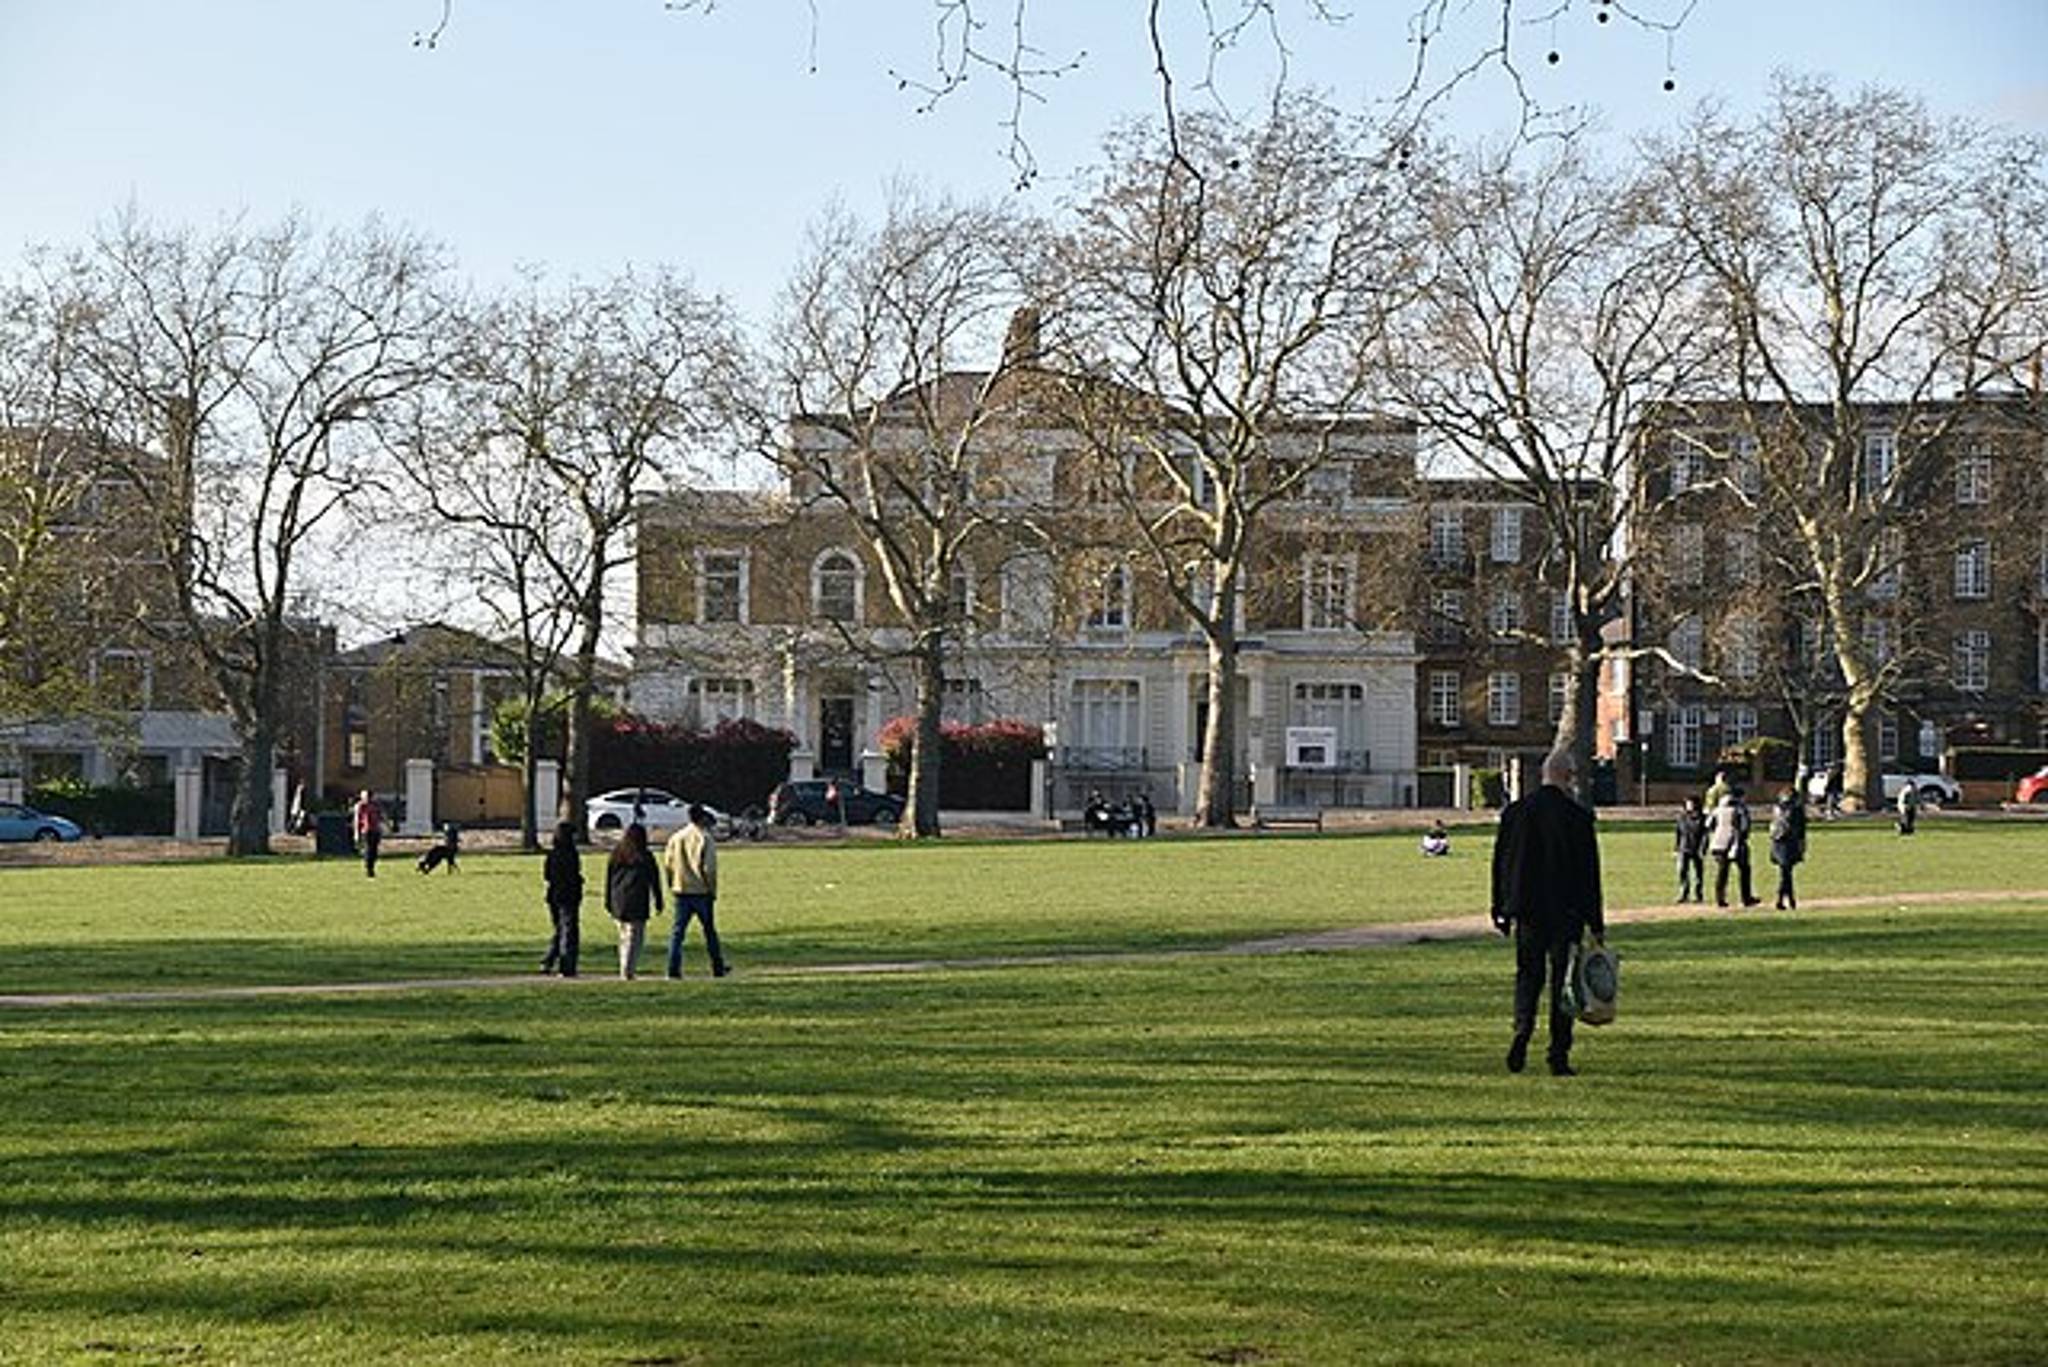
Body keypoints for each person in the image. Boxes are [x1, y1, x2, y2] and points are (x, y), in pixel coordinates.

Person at [1490, 748, 1607, 1078]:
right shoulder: (1577, 817)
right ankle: (1558, 1053)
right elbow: (1589, 874)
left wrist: (1499, 906)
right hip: (1566, 911)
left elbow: (1501, 864)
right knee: (1563, 983)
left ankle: (1521, 1030)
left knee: (1527, 976)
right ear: (1568, 777)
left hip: (1527, 908)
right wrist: (1595, 922)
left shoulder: (1516, 813)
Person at [661, 803, 731, 979]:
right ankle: (717, 966)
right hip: (701, 891)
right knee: (709, 931)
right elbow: (709, 868)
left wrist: (672, 884)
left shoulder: (676, 838)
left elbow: (668, 864)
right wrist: (712, 889)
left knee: (677, 932)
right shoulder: (705, 838)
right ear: (703, 818)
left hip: (681, 889)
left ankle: (673, 969)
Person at [603, 821, 663, 980]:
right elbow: (654, 880)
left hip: (618, 900)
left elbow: (608, 879)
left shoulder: (617, 854)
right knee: (635, 938)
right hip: (637, 900)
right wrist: (658, 900)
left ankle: (624, 966)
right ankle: (628, 970)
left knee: (623, 936)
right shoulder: (645, 856)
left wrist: (607, 900)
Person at [540, 820, 583, 977]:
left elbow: (547, 875)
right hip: (569, 895)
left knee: (560, 929)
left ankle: (549, 960)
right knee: (569, 931)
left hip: (554, 895)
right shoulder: (571, 854)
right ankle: (567, 965)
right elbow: (574, 874)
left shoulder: (552, 855)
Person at [1708, 785, 1760, 909]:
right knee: (1744, 870)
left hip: (1718, 844)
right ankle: (1746, 898)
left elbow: (1708, 824)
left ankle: (1720, 899)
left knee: (1722, 872)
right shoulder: (1740, 809)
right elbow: (1744, 827)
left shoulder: (1718, 809)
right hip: (1735, 842)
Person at [1769, 789, 1808, 910]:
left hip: (1777, 842)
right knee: (1786, 873)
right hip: (1790, 843)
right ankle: (1786, 899)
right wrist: (1802, 846)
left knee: (1785, 873)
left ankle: (1786, 899)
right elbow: (1801, 830)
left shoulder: (1776, 808)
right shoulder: (1797, 810)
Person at [1674, 795, 1707, 903]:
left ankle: (1698, 894)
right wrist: (1676, 848)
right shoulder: (1681, 817)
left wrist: (1703, 848)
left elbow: (1705, 835)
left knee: (1698, 873)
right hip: (1684, 848)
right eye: (1688, 803)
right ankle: (1684, 893)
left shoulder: (1702, 818)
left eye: (1692, 803)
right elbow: (1678, 834)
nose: (1690, 806)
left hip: (1697, 848)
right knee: (1682, 871)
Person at [351, 789, 385, 879]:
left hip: (376, 830)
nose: (367, 798)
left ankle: (372, 866)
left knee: (374, 851)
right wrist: (356, 833)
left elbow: (381, 816)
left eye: (368, 796)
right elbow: (357, 820)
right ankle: (368, 869)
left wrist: (386, 826)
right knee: (368, 850)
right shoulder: (360, 806)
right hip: (366, 830)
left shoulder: (376, 805)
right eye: (365, 796)